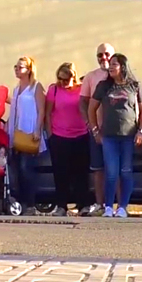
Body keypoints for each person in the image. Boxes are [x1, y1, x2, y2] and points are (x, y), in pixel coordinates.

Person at [88, 53, 142, 218]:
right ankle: (108, 206)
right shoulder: (103, 86)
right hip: (109, 136)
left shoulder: (135, 86)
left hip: (129, 136)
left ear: (123, 66)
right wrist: (95, 130)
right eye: (110, 64)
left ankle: (122, 207)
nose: (110, 66)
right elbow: (91, 109)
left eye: (114, 64)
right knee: (111, 172)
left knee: (126, 171)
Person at [45, 62, 90, 216]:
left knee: (81, 173)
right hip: (59, 137)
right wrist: (50, 134)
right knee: (60, 173)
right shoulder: (54, 90)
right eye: (60, 79)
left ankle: (83, 204)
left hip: (80, 136)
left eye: (66, 80)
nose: (63, 83)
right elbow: (48, 113)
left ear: (73, 77)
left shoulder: (81, 89)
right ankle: (61, 206)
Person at [79, 42, 115, 217]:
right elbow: (83, 102)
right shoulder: (91, 77)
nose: (104, 58)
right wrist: (89, 124)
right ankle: (100, 204)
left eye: (107, 54)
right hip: (97, 131)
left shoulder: (121, 76)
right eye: (100, 55)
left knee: (117, 169)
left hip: (118, 132)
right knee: (98, 169)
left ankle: (118, 206)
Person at [9, 56, 46, 216]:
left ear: (29, 69)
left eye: (21, 67)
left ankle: (30, 204)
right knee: (17, 169)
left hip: (30, 132)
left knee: (27, 168)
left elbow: (41, 110)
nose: (17, 69)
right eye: (16, 67)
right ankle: (20, 203)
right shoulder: (16, 89)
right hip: (17, 133)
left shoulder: (36, 87)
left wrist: (38, 129)